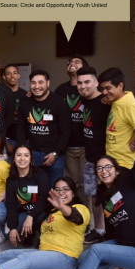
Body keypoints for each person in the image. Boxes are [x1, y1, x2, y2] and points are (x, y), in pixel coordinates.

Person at [50, 156, 135, 269]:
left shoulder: (129, 181)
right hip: (122, 244)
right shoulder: (104, 195)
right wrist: (113, 255)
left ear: (117, 171)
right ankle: (118, 263)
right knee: (84, 258)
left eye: (108, 167)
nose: (104, 171)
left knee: (97, 250)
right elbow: (111, 229)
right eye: (100, 168)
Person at [17, 70, 71, 187]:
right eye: (33, 83)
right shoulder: (25, 102)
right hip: (33, 153)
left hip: (55, 155)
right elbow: (20, 128)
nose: (37, 86)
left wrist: (55, 153)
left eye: (40, 82)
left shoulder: (59, 103)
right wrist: (23, 152)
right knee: (32, 188)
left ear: (48, 83)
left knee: (54, 189)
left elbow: (65, 132)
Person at [77, 67, 109, 244]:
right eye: (80, 83)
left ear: (96, 82)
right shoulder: (84, 101)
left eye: (87, 82)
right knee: (93, 195)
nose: (83, 86)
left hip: (106, 159)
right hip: (90, 157)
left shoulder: (106, 102)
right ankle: (99, 230)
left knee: (111, 196)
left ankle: (113, 233)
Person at [55, 55, 89, 206]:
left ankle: (91, 220)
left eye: (77, 62)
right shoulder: (61, 89)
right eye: (70, 62)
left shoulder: (91, 89)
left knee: (88, 184)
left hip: (87, 146)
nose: (71, 64)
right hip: (68, 146)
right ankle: (78, 214)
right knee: (75, 184)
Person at [4, 145, 49, 248]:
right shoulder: (11, 180)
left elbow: (43, 199)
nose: (22, 158)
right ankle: (29, 234)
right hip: (24, 211)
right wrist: (13, 227)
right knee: (9, 233)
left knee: (39, 218)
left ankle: (43, 237)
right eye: (19, 155)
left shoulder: (40, 174)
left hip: (41, 210)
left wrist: (31, 216)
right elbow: (11, 205)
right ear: (14, 159)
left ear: (31, 159)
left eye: (26, 155)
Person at [98, 67, 135, 172]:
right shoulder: (116, 100)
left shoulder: (130, 105)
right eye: (102, 89)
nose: (104, 92)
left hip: (125, 165)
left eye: (108, 88)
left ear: (120, 86)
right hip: (112, 163)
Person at [1, 64, 27, 161]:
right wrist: (5, 142)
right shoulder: (1, 94)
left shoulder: (25, 95)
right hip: (7, 139)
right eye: (8, 74)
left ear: (18, 76)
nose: (12, 76)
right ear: (4, 77)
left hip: (24, 139)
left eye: (14, 73)